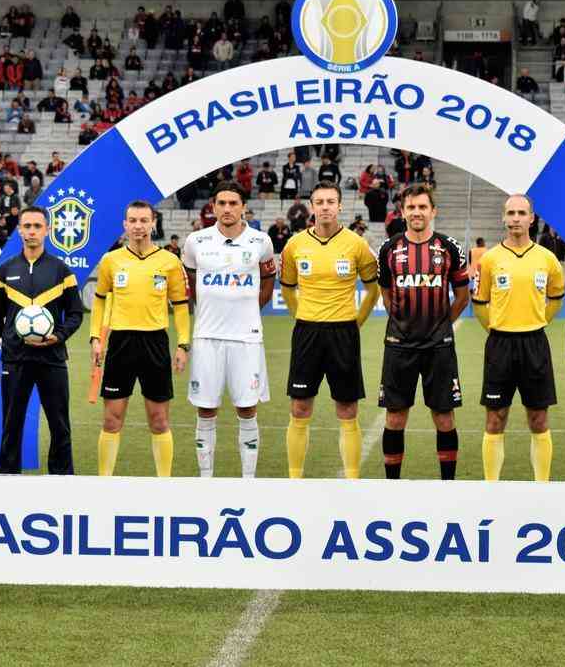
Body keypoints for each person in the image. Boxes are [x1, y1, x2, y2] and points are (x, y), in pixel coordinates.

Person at [279, 181, 380, 479]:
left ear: (340, 206)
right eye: (319, 201)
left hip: (343, 333)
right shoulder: (295, 245)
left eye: (330, 201)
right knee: (299, 408)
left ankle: (352, 478)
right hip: (307, 333)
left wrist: (355, 322)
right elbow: (287, 289)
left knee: (348, 410)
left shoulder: (356, 244)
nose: (325, 207)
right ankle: (294, 479)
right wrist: (304, 317)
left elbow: (373, 291)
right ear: (311, 207)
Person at [182, 182, 276, 478]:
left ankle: (248, 480)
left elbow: (267, 282)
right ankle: (205, 478)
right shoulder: (196, 241)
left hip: (246, 338)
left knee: (247, 408)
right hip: (207, 336)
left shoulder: (261, 241)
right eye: (221, 203)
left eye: (233, 203)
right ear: (213, 206)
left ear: (243, 206)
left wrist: (247, 309)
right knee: (205, 409)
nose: (227, 209)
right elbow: (192, 282)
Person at [376, 184, 470, 481]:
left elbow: (462, 296)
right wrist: (402, 320)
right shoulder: (389, 249)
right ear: (403, 212)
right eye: (411, 207)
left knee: (443, 416)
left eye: (422, 207)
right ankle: (392, 485)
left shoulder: (450, 247)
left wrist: (442, 323)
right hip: (399, 346)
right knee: (395, 417)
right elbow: (386, 294)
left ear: (433, 211)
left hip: (438, 347)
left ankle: (448, 484)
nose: (417, 212)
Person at [89, 201, 191, 477]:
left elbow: (181, 306)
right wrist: (95, 338)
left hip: (155, 343)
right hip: (121, 343)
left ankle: (164, 484)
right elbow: (99, 302)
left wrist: (183, 344)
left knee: (159, 420)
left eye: (143, 220)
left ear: (153, 223)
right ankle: (104, 482)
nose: (138, 226)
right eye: (132, 220)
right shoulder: (111, 261)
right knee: (112, 420)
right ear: (124, 225)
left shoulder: (170, 262)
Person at [0, 207, 84, 475]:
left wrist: (59, 335)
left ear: (47, 230)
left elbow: (75, 314)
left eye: (37, 226)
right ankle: (8, 480)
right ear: (19, 230)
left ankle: (62, 482)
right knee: (11, 423)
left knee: (59, 424)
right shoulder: (4, 272)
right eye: (26, 226)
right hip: (15, 359)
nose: (31, 231)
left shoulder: (62, 271)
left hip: (52, 358)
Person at [471, 195, 565, 482]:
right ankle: (491, 486)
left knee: (538, 418)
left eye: (521, 213)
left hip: (535, 344)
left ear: (531, 218)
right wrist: (497, 327)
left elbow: (556, 297)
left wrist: (537, 322)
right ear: (503, 217)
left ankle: (542, 485)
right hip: (500, 344)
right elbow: (480, 303)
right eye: (510, 213)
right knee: (495, 418)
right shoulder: (489, 259)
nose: (515, 218)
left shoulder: (547, 259)